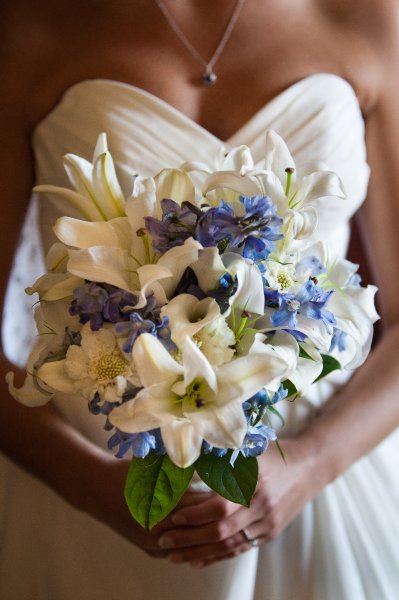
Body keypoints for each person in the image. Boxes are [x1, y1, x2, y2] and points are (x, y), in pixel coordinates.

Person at [1, 0, 398, 598]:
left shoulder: (369, 15)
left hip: (318, 478)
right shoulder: (31, 21)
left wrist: (308, 467)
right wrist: (93, 487)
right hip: (89, 493)